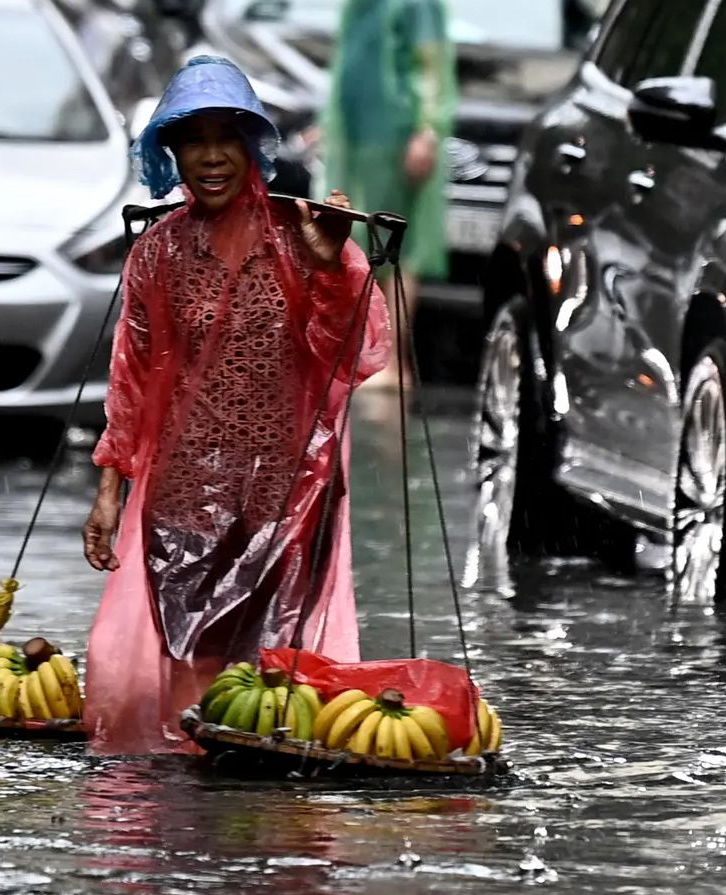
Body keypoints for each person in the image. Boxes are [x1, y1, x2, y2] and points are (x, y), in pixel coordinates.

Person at [78, 57, 391, 756]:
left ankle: (256, 836)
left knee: (270, 674)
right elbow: (129, 384)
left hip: (287, 488)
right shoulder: (156, 254)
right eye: (194, 139)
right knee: (195, 665)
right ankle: (192, 822)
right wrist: (108, 493)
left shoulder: (300, 237)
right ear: (173, 153)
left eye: (228, 137)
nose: (212, 156)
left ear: (252, 147)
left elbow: (354, 351)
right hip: (185, 490)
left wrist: (332, 263)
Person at [319, 0, 457, 390]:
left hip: (397, 137)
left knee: (395, 250)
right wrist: (328, 123)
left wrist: (428, 130)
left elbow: (432, 65)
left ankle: (393, 365)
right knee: (359, 246)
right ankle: (367, 358)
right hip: (358, 141)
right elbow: (350, 64)